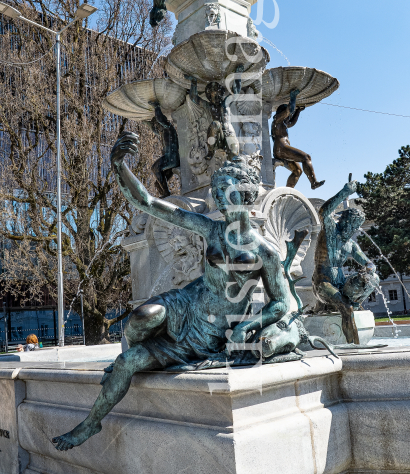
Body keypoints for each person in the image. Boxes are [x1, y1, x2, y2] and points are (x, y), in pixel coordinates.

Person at [52, 131, 290, 452]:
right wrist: (119, 165)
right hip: (187, 303)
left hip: (211, 329)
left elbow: (280, 304)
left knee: (127, 363)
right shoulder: (211, 228)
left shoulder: (266, 252)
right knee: (139, 318)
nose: (220, 196)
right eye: (218, 191)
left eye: (227, 190)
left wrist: (248, 326)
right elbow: (148, 203)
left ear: (246, 194)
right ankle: (109, 398)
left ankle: (90, 422)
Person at [312, 177, 379, 344]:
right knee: (346, 308)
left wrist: (370, 268)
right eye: (351, 225)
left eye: (356, 227)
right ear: (343, 222)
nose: (353, 230)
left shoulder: (351, 244)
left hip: (341, 285)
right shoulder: (330, 232)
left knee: (373, 280)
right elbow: (324, 212)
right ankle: (354, 347)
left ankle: (354, 303)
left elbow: (367, 261)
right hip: (323, 284)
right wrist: (345, 192)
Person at [271, 88, 324, 190]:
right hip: (281, 149)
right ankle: (313, 183)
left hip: (281, 150)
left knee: (297, 171)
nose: (289, 116)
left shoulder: (283, 123)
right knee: (306, 157)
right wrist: (293, 97)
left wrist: (298, 111)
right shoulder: (278, 119)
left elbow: (292, 122)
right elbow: (289, 110)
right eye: (287, 115)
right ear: (282, 113)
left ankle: (287, 191)